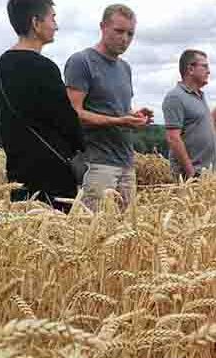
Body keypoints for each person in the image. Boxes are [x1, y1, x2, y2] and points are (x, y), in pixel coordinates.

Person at [0, 0, 84, 212]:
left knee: (24, 237)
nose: (56, 25)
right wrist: (81, 148)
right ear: (35, 22)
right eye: (52, 18)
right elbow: (67, 121)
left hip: (18, 173)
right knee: (57, 239)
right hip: (54, 174)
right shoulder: (44, 68)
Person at [64, 4, 152, 211]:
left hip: (126, 162)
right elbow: (73, 113)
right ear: (103, 27)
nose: (125, 39)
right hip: (96, 163)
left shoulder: (125, 68)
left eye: (130, 34)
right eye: (119, 31)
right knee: (90, 231)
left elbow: (119, 110)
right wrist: (121, 121)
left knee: (125, 232)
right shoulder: (82, 61)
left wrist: (135, 116)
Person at [162, 50, 216, 180]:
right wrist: (191, 172)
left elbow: (210, 124)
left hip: (206, 173)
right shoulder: (175, 97)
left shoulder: (200, 95)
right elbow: (173, 138)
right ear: (191, 69)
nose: (208, 71)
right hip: (190, 176)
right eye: (204, 66)